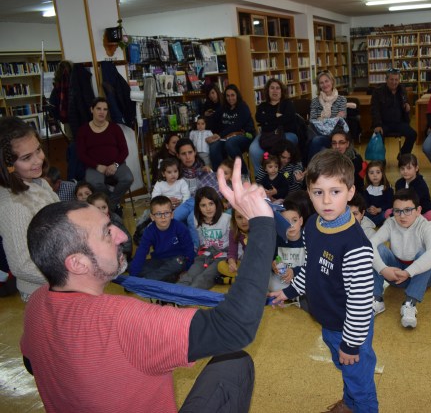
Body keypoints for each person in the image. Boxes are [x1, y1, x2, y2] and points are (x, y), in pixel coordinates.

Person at [21, 157, 276, 412]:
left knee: (233, 363)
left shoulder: (36, 303)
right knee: (236, 360)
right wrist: (262, 223)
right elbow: (234, 328)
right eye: (107, 232)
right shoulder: (124, 320)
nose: (122, 235)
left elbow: (32, 363)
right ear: (77, 263)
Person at [269, 150, 378, 412]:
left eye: (335, 192)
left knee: (361, 384)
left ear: (350, 192)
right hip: (328, 322)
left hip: (350, 329)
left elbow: (361, 304)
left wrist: (351, 344)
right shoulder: (312, 226)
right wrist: (290, 291)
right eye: (318, 192)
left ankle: (359, 404)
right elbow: (311, 268)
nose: (326, 201)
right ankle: (350, 403)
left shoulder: (356, 246)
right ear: (308, 192)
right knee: (348, 373)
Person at [0, 117, 59, 301]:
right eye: (26, 158)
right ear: (8, 164)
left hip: (60, 277)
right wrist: (68, 277)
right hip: (43, 290)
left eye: (38, 150)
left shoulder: (39, 182)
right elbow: (21, 266)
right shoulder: (13, 206)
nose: (38, 160)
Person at [370, 189, 431, 329]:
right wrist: (383, 269)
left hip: (422, 277)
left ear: (418, 210)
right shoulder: (390, 223)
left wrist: (409, 272)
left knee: (425, 253)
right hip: (396, 275)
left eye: (407, 210)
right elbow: (370, 244)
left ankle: (410, 303)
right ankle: (377, 299)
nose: (402, 216)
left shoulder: (425, 225)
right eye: (397, 211)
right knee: (378, 249)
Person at [76, 97, 134, 211]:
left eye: (105, 109)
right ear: (92, 110)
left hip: (116, 164)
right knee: (94, 183)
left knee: (128, 178)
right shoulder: (83, 130)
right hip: (94, 167)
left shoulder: (115, 128)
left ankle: (110, 205)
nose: (102, 112)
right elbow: (81, 154)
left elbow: (124, 150)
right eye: (98, 109)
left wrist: (115, 165)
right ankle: (111, 206)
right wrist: (97, 166)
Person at [129, 195, 195, 283]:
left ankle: (146, 282)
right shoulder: (149, 231)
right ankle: (168, 277)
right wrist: (133, 277)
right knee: (134, 267)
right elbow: (141, 252)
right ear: (152, 217)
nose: (163, 217)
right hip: (159, 260)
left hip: (177, 260)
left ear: (172, 214)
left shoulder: (180, 227)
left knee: (177, 263)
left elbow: (189, 249)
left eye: (166, 213)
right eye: (158, 214)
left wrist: (188, 269)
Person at [177, 187, 231, 290]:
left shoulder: (226, 219)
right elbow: (201, 240)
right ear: (198, 207)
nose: (208, 208)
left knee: (204, 278)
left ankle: (190, 295)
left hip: (222, 257)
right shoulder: (196, 219)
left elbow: (234, 243)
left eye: (211, 204)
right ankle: (175, 294)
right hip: (205, 255)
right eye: (203, 205)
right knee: (190, 275)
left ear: (217, 204)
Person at [249, 78, 299, 177]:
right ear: (268, 90)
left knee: (278, 148)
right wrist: (276, 117)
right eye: (272, 88)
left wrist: (267, 120)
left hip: (287, 133)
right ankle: (261, 177)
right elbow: (259, 118)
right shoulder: (262, 106)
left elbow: (287, 119)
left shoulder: (287, 104)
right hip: (266, 134)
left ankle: (280, 176)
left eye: (277, 88)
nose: (275, 91)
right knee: (254, 149)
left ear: (282, 91)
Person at [370, 68, 416, 159]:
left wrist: (406, 105)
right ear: (386, 80)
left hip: (399, 122)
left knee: (413, 134)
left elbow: (405, 101)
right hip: (383, 123)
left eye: (396, 80)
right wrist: (377, 125)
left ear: (399, 80)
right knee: (378, 135)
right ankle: (380, 160)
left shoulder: (402, 89)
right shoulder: (378, 91)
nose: (394, 82)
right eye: (391, 79)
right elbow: (374, 109)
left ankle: (402, 155)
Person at [209, 84, 255, 174]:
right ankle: (220, 176)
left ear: (237, 95)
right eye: (227, 96)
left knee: (230, 144)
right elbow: (214, 120)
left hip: (245, 135)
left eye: (232, 95)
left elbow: (236, 126)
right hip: (226, 137)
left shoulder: (243, 107)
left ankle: (244, 173)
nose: (230, 98)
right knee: (214, 147)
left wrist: (219, 135)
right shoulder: (223, 107)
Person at [307, 70, 348, 161]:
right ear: (319, 85)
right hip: (318, 133)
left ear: (332, 81)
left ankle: (309, 167)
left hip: (335, 134)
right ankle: (312, 167)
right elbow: (312, 120)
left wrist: (322, 120)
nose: (324, 84)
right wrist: (334, 118)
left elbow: (341, 119)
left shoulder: (341, 99)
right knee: (317, 142)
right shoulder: (315, 101)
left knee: (316, 141)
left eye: (326, 81)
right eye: (321, 83)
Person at [269, 197, 305, 293]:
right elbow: (272, 261)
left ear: (301, 221)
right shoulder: (277, 239)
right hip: (281, 281)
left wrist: (294, 271)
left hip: (302, 279)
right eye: (285, 222)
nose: (290, 225)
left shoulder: (308, 239)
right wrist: (273, 265)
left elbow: (312, 265)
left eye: (294, 220)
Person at [86, 191, 132, 259]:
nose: (101, 211)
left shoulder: (115, 220)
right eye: (97, 208)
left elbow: (127, 239)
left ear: (108, 206)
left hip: (118, 255)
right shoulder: (88, 224)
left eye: (104, 207)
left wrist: (125, 254)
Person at [394, 153, 431, 222]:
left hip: (419, 211)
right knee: (388, 212)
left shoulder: (421, 184)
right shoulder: (399, 183)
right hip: (404, 210)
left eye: (409, 168)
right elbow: (397, 200)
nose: (405, 171)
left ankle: (411, 221)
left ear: (416, 168)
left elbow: (414, 203)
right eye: (402, 168)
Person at [216, 208, 250, 284]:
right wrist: (232, 262)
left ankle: (231, 280)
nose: (244, 221)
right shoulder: (234, 231)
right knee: (221, 265)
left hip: (260, 264)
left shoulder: (258, 230)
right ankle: (246, 279)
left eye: (247, 217)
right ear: (234, 219)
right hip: (246, 264)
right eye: (239, 217)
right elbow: (232, 252)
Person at [330, 128, 364, 194]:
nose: (337, 146)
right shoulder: (327, 159)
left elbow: (359, 185)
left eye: (341, 143)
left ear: (347, 144)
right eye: (334, 143)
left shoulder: (356, 159)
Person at [363, 160, 393, 227]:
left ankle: (371, 223)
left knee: (388, 213)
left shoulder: (387, 188)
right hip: (371, 213)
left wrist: (378, 209)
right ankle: (376, 222)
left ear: (382, 174)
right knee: (363, 213)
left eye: (378, 172)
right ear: (367, 175)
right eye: (371, 173)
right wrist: (369, 209)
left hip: (382, 211)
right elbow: (365, 203)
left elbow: (390, 204)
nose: (375, 175)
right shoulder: (366, 189)